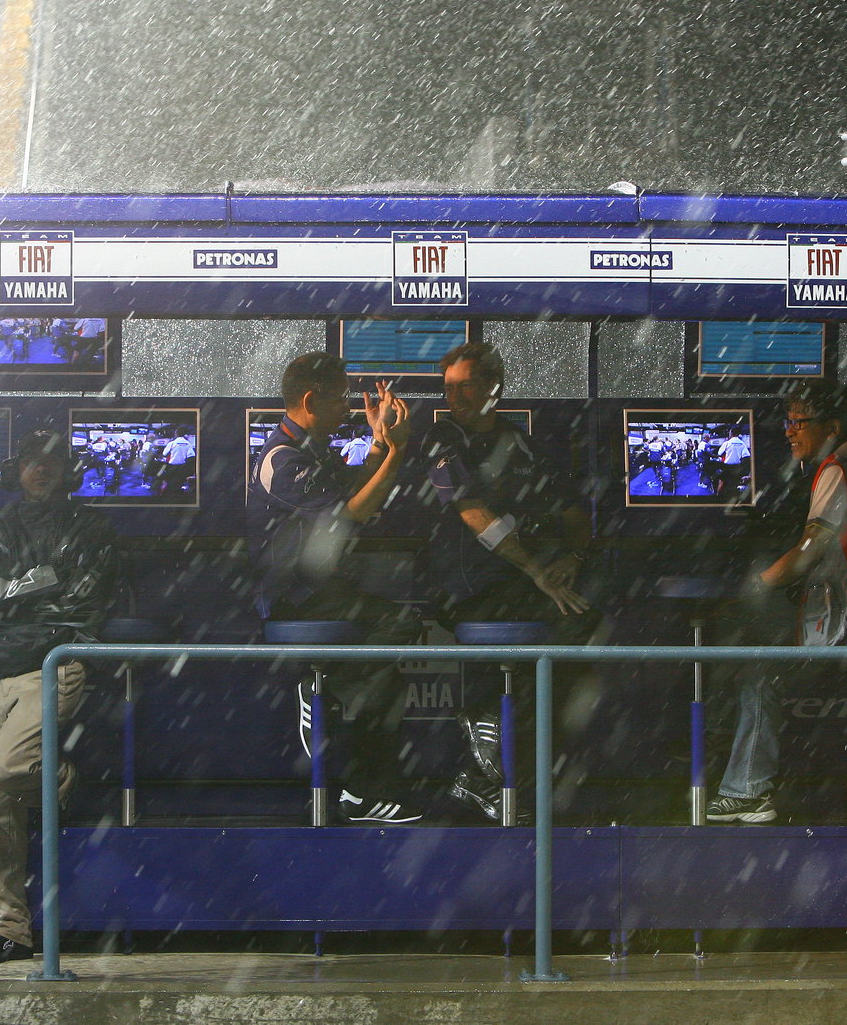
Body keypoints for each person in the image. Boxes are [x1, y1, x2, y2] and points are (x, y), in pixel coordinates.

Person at [707, 379, 847, 823]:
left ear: (831, 426)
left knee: (758, 672)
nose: (789, 431)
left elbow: (809, 551)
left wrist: (753, 587)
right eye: (787, 421)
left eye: (799, 421)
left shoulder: (837, 469)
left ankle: (745, 789)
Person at [415, 342, 603, 821]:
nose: (454, 396)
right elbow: (474, 514)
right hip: (469, 588)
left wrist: (573, 558)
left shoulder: (522, 442)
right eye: (448, 387)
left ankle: (506, 780)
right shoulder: (442, 437)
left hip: (524, 583)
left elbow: (576, 511)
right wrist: (539, 572)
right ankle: (500, 775)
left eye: (466, 385)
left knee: (582, 629)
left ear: (494, 387)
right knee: (538, 647)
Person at [0, 429, 121, 963]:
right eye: (32, 460)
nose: (41, 469)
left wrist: (17, 594)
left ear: (68, 470)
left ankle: (64, 783)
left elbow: (83, 597)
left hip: (57, 661)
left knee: (9, 768)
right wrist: (41, 583)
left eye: (52, 461)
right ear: (17, 468)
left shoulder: (92, 526)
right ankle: (7, 928)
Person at [247, 352, 424, 823]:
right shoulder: (283, 460)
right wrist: (399, 452)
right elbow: (353, 515)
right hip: (295, 601)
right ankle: (337, 703)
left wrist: (379, 443)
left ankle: (346, 703)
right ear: (310, 400)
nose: (348, 406)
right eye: (340, 397)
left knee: (398, 638)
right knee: (393, 641)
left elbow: (353, 491)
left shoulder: (311, 449)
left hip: (322, 593)